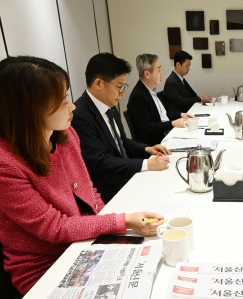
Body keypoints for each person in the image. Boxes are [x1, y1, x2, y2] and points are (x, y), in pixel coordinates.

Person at [0, 56, 164, 295]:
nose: (72, 106)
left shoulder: (65, 135)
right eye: (62, 100)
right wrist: (121, 221)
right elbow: (54, 228)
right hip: (46, 267)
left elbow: (89, 192)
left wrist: (113, 230)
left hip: (82, 244)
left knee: (155, 269)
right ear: (29, 109)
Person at [72, 52, 170, 203]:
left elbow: (122, 143)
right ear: (99, 83)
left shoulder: (108, 105)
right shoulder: (80, 115)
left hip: (125, 177)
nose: (123, 93)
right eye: (119, 86)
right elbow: (100, 162)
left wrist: (147, 149)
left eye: (124, 86)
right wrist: (145, 164)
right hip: (108, 191)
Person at [127, 54, 195, 145]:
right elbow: (146, 128)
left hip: (166, 135)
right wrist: (172, 123)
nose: (161, 73)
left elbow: (164, 115)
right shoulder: (138, 96)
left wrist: (181, 114)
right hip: (157, 144)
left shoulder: (154, 92)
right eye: (158, 70)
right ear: (147, 74)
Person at [163, 50, 212, 114]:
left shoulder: (180, 78)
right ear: (178, 64)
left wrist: (202, 97)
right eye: (187, 66)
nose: (189, 68)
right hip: (179, 116)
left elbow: (193, 94)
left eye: (189, 66)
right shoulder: (171, 82)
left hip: (187, 111)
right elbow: (182, 102)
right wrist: (200, 98)